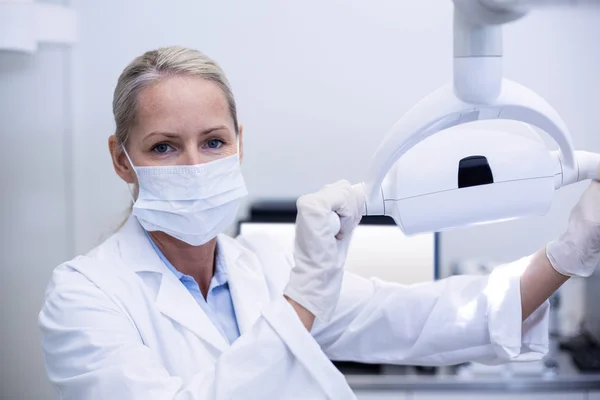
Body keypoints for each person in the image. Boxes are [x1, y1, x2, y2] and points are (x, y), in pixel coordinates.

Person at [38, 46, 600, 400]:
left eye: (213, 142)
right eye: (164, 147)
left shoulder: (264, 268)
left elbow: (427, 319)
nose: (193, 166)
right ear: (121, 158)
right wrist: (304, 296)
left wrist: (569, 253)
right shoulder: (84, 295)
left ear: (239, 144)